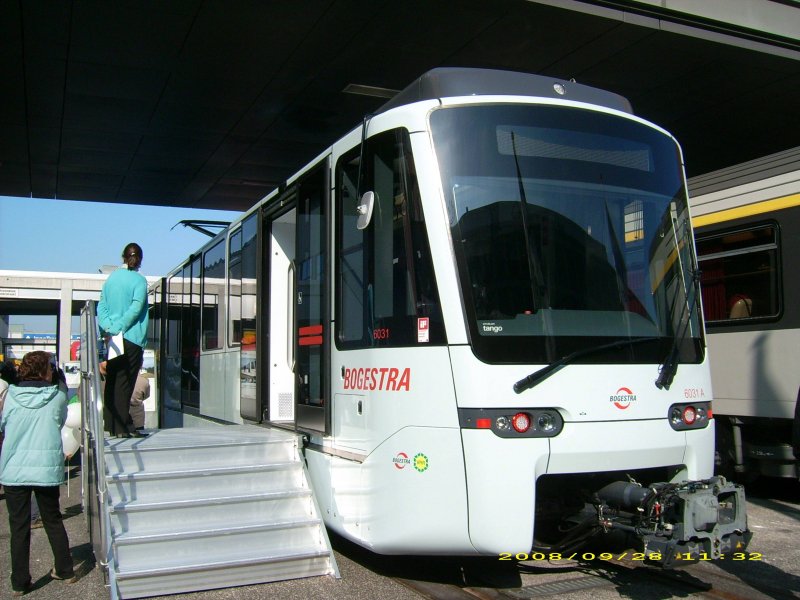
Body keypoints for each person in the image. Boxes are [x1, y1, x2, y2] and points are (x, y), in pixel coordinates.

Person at [0, 351, 76, 595]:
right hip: (46, 468)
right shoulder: (57, 396)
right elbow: (62, 417)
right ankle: (65, 570)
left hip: (14, 469)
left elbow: (2, 424)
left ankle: (20, 583)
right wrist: (60, 380)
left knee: (19, 527)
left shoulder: (9, 395)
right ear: (46, 371)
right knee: (52, 519)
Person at [97, 242, 149, 438]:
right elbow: (136, 308)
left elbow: (101, 306)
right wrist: (121, 327)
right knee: (126, 382)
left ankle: (110, 424)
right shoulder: (139, 281)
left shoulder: (111, 279)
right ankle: (123, 427)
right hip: (132, 336)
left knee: (113, 379)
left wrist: (109, 326)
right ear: (140, 260)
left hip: (113, 337)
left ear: (123, 257)